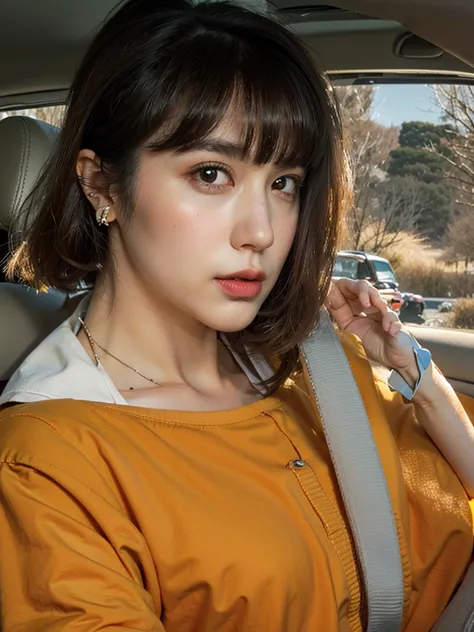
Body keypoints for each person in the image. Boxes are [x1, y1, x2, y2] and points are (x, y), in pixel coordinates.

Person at [0, 1, 473, 630]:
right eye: (210, 173)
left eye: (284, 183)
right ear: (101, 186)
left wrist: (421, 379)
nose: (260, 232)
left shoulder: (322, 358)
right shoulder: (48, 467)